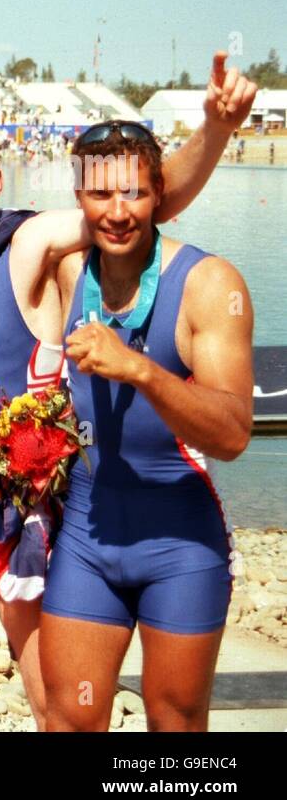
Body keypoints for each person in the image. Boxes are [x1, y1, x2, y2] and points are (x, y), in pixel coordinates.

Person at [0, 52, 257, 731]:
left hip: (70, 512)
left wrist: (215, 129)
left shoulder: (37, 248)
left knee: (119, 717)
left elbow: (137, 195)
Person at [41, 122, 252, 731]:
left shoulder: (210, 284)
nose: (117, 212)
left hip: (179, 543)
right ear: (77, 198)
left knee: (174, 726)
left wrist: (142, 370)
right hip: (86, 538)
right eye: (100, 195)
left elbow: (234, 433)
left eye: (133, 193)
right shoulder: (65, 268)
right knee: (71, 719)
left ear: (161, 192)